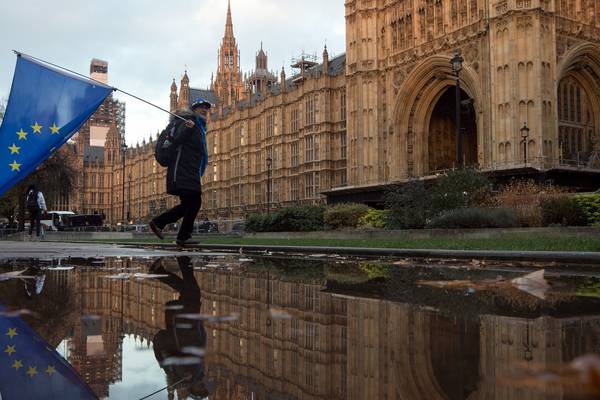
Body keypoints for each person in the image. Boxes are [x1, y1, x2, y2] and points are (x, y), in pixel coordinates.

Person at [149, 98, 211, 247]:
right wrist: (187, 127)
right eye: (200, 107)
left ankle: (170, 229)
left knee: (190, 204)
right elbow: (177, 139)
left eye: (206, 108)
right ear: (193, 110)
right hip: (182, 170)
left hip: (188, 171)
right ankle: (170, 229)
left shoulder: (198, 127)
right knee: (194, 202)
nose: (204, 109)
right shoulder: (188, 121)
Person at [151, 257, 212, 399]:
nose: (204, 384)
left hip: (184, 326)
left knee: (193, 292)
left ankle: (182, 259)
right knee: (190, 291)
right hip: (190, 325)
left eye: (200, 388)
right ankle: (161, 270)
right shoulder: (198, 373)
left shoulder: (187, 376)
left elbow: (170, 357)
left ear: (193, 388)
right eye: (204, 387)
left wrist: (185, 372)